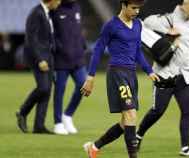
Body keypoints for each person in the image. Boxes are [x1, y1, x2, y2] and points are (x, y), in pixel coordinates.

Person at [80, 0, 159, 157]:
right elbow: (98, 50)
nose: (137, 11)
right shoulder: (111, 25)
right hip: (117, 73)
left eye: (138, 8)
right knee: (131, 115)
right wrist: (90, 77)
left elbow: (137, 51)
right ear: (123, 5)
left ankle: (94, 147)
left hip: (131, 74)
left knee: (125, 122)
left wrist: (149, 71)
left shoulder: (137, 25)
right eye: (133, 8)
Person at [136, 0, 189, 156]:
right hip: (164, 75)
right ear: (183, 6)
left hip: (184, 77)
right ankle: (138, 135)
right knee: (158, 111)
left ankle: (185, 148)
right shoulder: (165, 19)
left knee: (188, 111)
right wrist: (166, 33)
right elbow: (144, 24)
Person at [15, 0, 61, 134]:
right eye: (58, 0)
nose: (59, 3)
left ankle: (39, 125)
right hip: (38, 58)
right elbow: (31, 38)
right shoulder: (36, 13)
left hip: (49, 56)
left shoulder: (48, 13)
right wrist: (40, 59)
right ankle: (22, 112)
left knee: (47, 91)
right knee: (43, 87)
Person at [51, 0, 87, 135]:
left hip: (77, 58)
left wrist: (82, 45)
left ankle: (68, 115)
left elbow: (78, 29)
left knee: (84, 85)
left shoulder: (77, 7)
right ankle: (58, 123)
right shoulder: (55, 8)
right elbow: (52, 33)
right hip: (61, 59)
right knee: (60, 90)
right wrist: (58, 48)